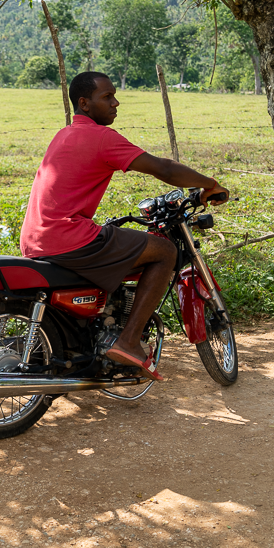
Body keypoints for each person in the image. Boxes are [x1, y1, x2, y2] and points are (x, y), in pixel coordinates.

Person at [19, 71, 228, 381]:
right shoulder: (102, 138)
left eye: (115, 95)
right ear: (84, 103)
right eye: (107, 97)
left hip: (36, 238)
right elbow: (163, 168)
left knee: (120, 245)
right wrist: (209, 184)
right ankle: (129, 342)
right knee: (164, 251)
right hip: (69, 236)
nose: (116, 103)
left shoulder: (63, 134)